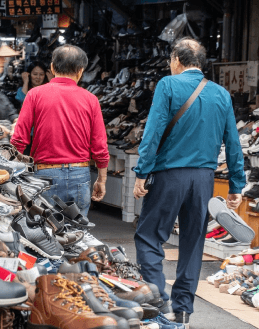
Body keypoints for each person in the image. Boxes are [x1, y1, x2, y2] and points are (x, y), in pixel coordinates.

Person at [133, 38, 245, 327]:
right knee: (192, 243)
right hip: (204, 179)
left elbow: (153, 132)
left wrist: (141, 173)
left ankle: (159, 307)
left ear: (176, 60)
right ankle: (181, 313)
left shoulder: (167, 86)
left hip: (170, 175)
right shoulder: (221, 94)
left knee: (149, 237)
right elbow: (233, 143)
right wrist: (235, 185)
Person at [11, 44, 109, 216]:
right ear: (80, 70)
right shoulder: (90, 99)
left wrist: (11, 173)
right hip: (80, 174)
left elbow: (19, 139)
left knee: (45, 234)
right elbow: (99, 145)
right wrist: (102, 179)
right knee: (77, 235)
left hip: (45, 173)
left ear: (52, 67)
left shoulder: (35, 95)